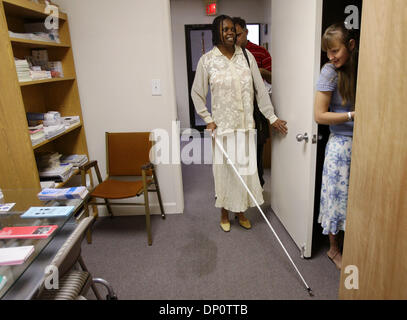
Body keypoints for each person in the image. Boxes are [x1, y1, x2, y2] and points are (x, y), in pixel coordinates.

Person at [191, 15, 287, 232]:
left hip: (245, 127)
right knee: (225, 171)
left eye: (232, 29)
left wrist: (271, 117)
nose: (230, 32)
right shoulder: (207, 60)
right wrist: (208, 119)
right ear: (217, 32)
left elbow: (260, 91)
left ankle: (241, 211)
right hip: (223, 128)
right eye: (225, 29)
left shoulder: (247, 57)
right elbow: (197, 93)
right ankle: (224, 212)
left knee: (243, 170)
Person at [314, 23, 359, 270]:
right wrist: (352, 115)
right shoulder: (329, 72)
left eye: (335, 51)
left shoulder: (362, 69)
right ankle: (333, 250)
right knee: (336, 199)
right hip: (340, 146)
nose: (331, 57)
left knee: (354, 200)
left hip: (362, 145)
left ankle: (353, 244)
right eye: (328, 52)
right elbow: (319, 116)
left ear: (350, 46)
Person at [233, 17, 277, 187]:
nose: (235, 39)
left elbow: (274, 79)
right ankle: (240, 187)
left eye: (238, 35)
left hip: (256, 109)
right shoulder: (227, 55)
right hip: (236, 110)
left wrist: (259, 72)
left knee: (257, 149)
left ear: (246, 32)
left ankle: (258, 184)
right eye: (232, 36)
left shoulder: (260, 52)